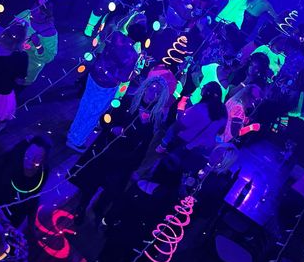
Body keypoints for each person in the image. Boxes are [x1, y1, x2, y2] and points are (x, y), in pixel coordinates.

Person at [70, 72, 173, 221]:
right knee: (92, 181)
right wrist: (113, 128)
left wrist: (135, 163)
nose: (153, 93)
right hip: (107, 148)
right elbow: (105, 119)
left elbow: (146, 143)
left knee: (111, 188)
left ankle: (99, 211)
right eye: (152, 88)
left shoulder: (154, 118)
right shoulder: (126, 101)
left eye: (158, 92)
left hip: (126, 158)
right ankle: (82, 206)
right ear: (145, 87)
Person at [67, 24, 144, 152]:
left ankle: (73, 131)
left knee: (85, 103)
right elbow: (124, 77)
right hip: (107, 85)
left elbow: (107, 34)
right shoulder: (132, 55)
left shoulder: (117, 36)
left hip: (94, 74)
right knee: (94, 112)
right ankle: (77, 140)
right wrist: (135, 74)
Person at [156, 81, 227, 168]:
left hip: (183, 144)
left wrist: (181, 108)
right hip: (201, 150)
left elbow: (180, 125)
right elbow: (221, 131)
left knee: (165, 167)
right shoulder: (223, 111)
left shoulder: (200, 108)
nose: (202, 89)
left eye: (203, 87)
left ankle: (162, 146)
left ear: (208, 93)